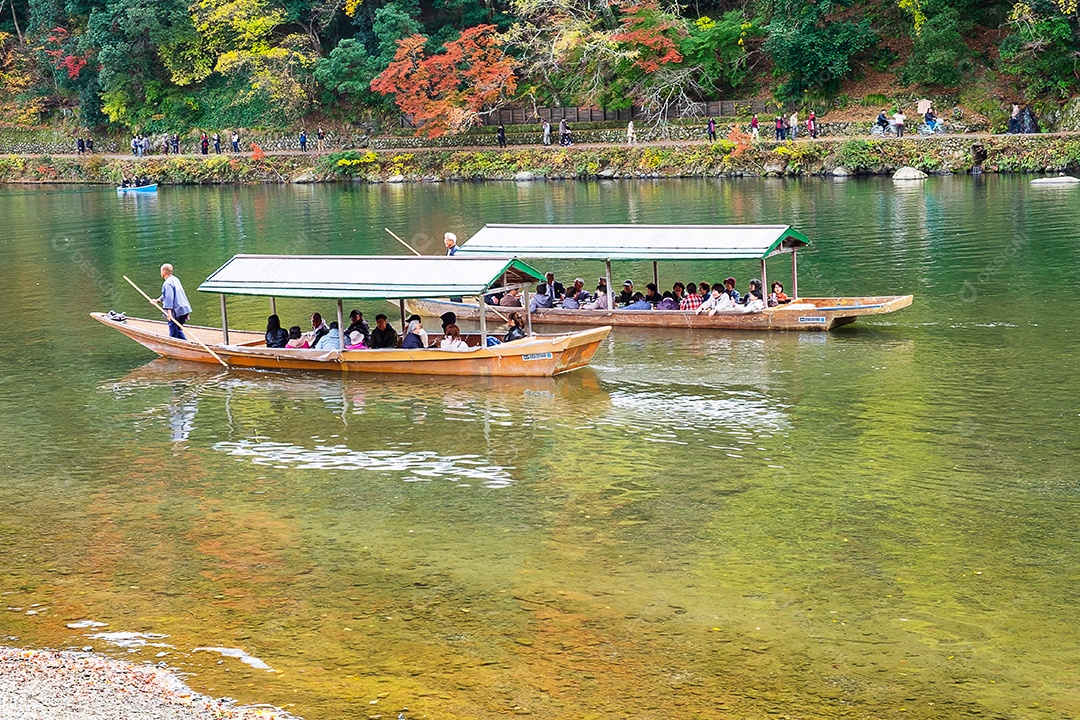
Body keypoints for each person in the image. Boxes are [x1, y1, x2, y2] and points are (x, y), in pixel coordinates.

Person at [155, 264, 192, 340]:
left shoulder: (167, 283)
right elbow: (167, 294)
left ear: (164, 272)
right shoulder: (175, 279)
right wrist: (158, 300)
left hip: (176, 311)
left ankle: (173, 347)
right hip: (184, 309)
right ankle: (186, 344)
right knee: (177, 330)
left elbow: (169, 297)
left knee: (173, 332)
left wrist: (169, 312)